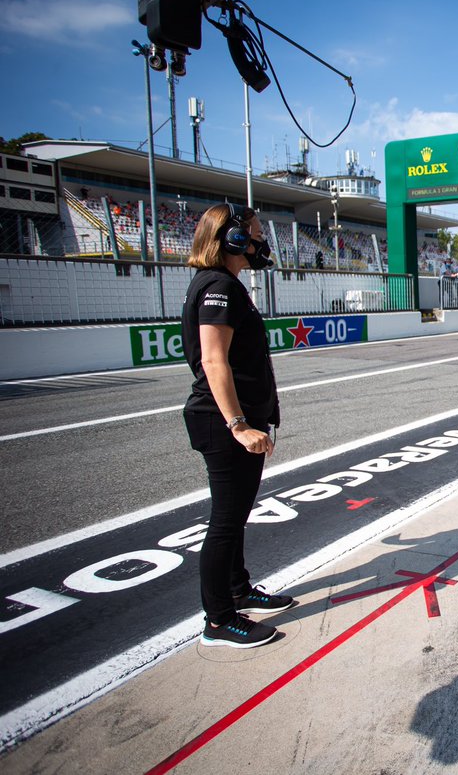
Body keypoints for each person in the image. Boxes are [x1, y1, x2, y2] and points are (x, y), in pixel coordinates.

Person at [181, 204, 292, 650]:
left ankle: (238, 589)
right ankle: (219, 620)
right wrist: (239, 425)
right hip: (223, 422)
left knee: (237, 514)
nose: (261, 242)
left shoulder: (226, 286)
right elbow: (212, 359)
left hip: (236, 419)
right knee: (225, 521)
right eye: (256, 234)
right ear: (230, 240)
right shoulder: (218, 287)